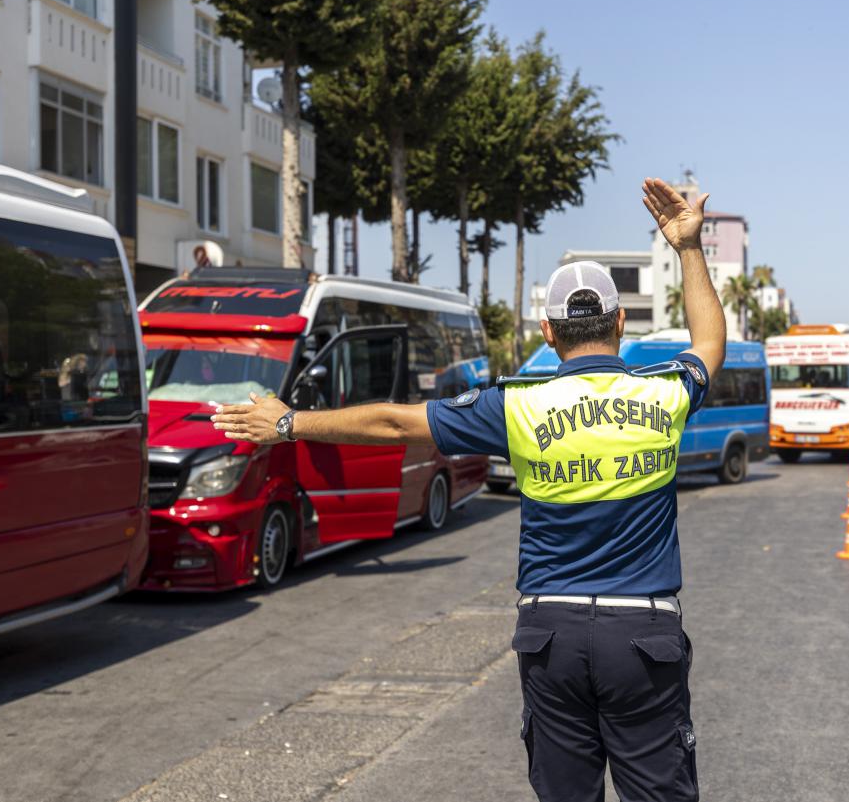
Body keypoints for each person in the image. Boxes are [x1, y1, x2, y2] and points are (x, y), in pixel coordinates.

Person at [211, 176, 726, 802]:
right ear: (620, 321)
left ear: (547, 330)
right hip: (643, 636)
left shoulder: (515, 407)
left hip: (551, 634)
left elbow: (394, 421)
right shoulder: (663, 392)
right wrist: (689, 247)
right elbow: (709, 344)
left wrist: (288, 423)